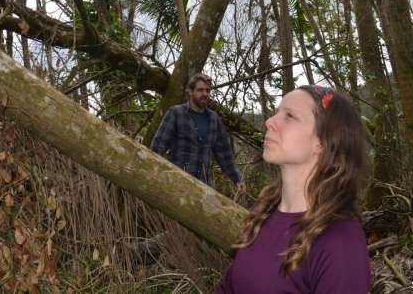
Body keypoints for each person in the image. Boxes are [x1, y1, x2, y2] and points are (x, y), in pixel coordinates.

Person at [214, 85, 371, 294]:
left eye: (289, 116)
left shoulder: (340, 242)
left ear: (322, 143)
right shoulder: (262, 216)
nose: (270, 121)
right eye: (277, 113)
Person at [151, 73, 245, 193]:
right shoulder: (175, 113)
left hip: (203, 187)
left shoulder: (214, 119)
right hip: (177, 184)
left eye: (207, 90)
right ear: (190, 91)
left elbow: (225, 154)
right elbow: (158, 146)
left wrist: (237, 178)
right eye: (200, 90)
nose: (205, 94)